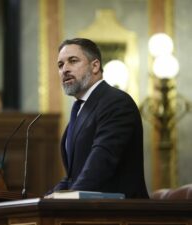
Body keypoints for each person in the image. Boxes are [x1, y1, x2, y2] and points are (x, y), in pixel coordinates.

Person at [46, 38, 149, 198]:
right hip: (90, 211)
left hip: (121, 214)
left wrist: (67, 198)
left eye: (73, 61)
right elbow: (74, 177)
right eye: (60, 65)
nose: (65, 69)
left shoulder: (116, 102)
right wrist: (47, 198)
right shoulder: (80, 109)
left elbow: (102, 161)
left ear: (95, 66)